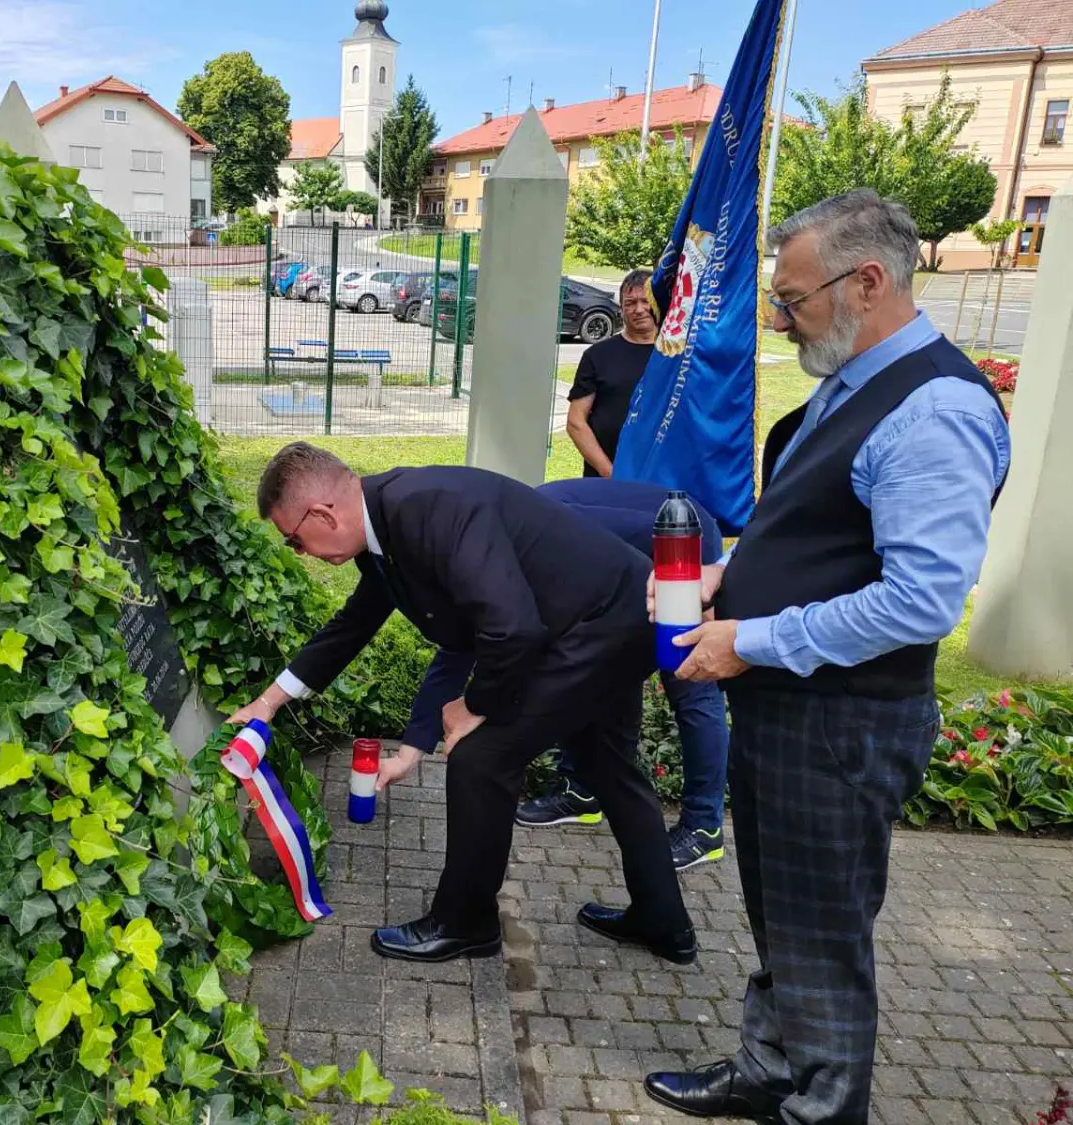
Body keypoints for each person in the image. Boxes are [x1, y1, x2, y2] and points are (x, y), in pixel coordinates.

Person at [643, 191, 1010, 1125]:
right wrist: (729, 575)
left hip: (842, 726)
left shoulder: (934, 410)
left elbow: (920, 599)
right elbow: (810, 524)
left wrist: (748, 640)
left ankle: (824, 1104)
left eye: (794, 300)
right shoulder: (852, 382)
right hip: (790, 711)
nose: (782, 317)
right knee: (784, 921)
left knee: (823, 936)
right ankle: (771, 1068)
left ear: (869, 281)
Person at [227, 444, 694, 965]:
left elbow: (509, 628)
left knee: (481, 758)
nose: (301, 553)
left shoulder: (428, 510)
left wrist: (475, 705)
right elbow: (354, 626)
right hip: (608, 615)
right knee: (608, 765)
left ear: (321, 515)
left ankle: (466, 922)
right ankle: (663, 919)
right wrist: (269, 702)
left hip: (601, 622)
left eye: (294, 541)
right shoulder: (385, 526)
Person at [374, 477, 731, 872]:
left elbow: (524, 634)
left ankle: (704, 825)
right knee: (603, 705)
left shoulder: (510, 532)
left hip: (680, 540)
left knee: (690, 681)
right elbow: (465, 644)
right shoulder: (490, 533)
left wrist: (482, 704)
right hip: (625, 573)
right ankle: (582, 791)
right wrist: (412, 751)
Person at [565, 268, 656, 478]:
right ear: (621, 309)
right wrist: (610, 473)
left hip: (659, 479)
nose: (639, 309)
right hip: (604, 479)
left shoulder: (674, 357)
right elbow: (576, 421)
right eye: (630, 303)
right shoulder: (597, 355)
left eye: (646, 301)